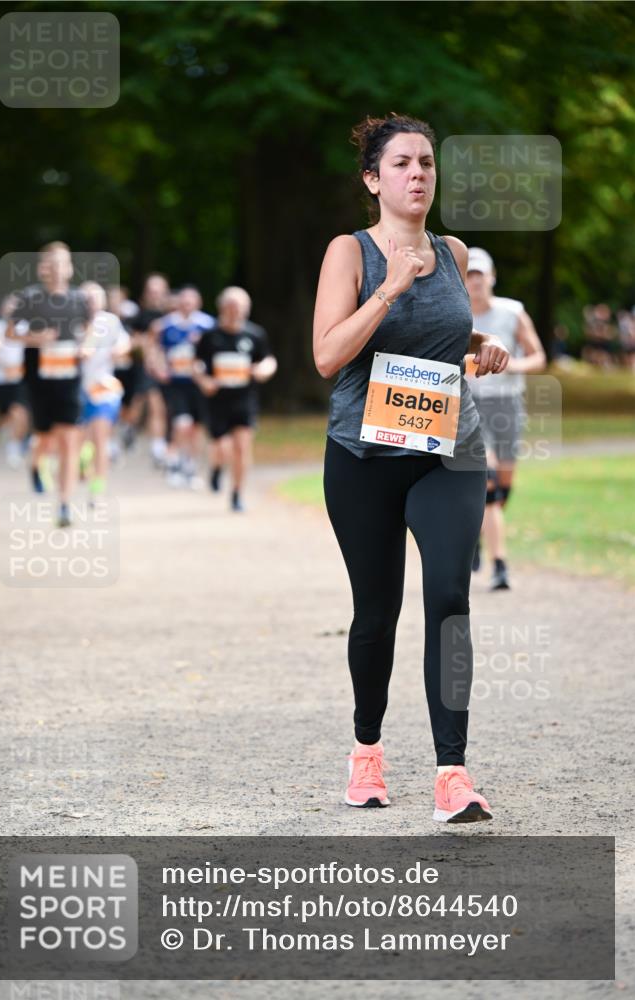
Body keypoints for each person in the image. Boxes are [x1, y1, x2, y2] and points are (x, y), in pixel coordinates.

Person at [314, 113, 509, 822]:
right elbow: (327, 355)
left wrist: (479, 344)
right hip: (363, 456)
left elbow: (442, 332)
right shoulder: (351, 252)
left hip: (448, 450)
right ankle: (366, 751)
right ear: (373, 179)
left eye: (425, 162)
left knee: (449, 598)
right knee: (377, 612)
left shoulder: (453, 251)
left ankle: (452, 774)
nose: (417, 173)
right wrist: (389, 287)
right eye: (400, 163)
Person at [464, 247, 546, 590]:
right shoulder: (456, 314)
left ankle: (480, 534)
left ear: (492, 277)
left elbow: (538, 356)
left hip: (507, 405)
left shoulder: (512, 312)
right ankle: (500, 566)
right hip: (470, 405)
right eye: (469, 275)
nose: (475, 281)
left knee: (503, 486)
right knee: (488, 484)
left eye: (480, 274)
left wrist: (513, 365)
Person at [7, 242, 89, 526]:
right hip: (39, 380)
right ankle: (35, 464)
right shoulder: (30, 298)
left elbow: (90, 328)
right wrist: (35, 338)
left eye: (61, 264)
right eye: (51, 264)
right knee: (45, 437)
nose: (56, 270)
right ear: (43, 269)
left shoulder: (79, 299)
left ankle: (64, 504)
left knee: (68, 439)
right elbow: (9, 332)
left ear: (70, 268)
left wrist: (86, 346)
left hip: (69, 379)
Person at [193, 287, 277, 512]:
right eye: (231, 307)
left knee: (242, 447)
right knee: (221, 448)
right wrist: (204, 381)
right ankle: (217, 467)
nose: (236, 311)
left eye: (240, 307)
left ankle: (237, 494)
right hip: (217, 401)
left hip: (244, 399)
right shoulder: (210, 336)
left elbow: (268, 360)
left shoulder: (254, 334)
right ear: (222, 308)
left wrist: (264, 369)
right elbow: (197, 364)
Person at [152, 285, 214, 487]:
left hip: (198, 384)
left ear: (198, 303)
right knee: (182, 423)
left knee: (196, 427)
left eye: (190, 301)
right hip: (176, 384)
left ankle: (190, 467)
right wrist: (159, 369)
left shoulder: (207, 325)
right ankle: (174, 463)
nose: (187, 305)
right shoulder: (166, 326)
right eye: (183, 301)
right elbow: (156, 350)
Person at [78, 282, 131, 502]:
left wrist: (118, 350)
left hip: (104, 387)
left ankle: (97, 489)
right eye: (87, 299)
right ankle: (83, 458)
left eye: (95, 298)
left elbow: (125, 343)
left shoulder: (110, 322)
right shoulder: (71, 322)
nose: (91, 303)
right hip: (77, 389)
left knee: (100, 437)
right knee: (81, 439)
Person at [129, 273, 172, 466]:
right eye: (151, 291)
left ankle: (156, 442)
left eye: (158, 291)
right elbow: (134, 341)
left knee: (158, 405)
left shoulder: (170, 316)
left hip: (168, 367)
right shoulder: (141, 316)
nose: (155, 295)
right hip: (145, 366)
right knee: (149, 403)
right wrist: (148, 347)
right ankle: (152, 442)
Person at [0, 295, 30, 468]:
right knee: (7, 416)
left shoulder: (25, 328)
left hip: (20, 379)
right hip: (0, 378)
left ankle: (14, 446)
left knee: (20, 413)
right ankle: (8, 437)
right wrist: (1, 364)